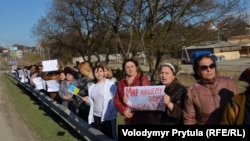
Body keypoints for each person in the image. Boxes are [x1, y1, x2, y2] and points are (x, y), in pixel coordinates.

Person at [183, 55, 239, 125]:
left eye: (212, 66)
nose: (209, 70)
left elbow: (240, 108)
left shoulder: (229, 83)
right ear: (197, 71)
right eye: (204, 67)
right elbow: (189, 119)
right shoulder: (192, 91)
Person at [82, 65, 117, 140]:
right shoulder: (92, 86)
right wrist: (87, 101)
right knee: (99, 137)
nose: (99, 74)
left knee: (111, 137)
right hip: (95, 116)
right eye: (96, 72)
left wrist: (110, 112)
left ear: (104, 72)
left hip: (108, 117)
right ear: (94, 74)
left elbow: (115, 99)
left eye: (101, 71)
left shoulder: (111, 84)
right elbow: (91, 101)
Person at [114, 58, 152, 125]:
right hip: (128, 118)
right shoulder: (121, 83)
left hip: (142, 117)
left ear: (136, 67)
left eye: (132, 66)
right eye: (127, 67)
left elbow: (148, 97)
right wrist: (123, 110)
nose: (130, 69)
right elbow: (116, 99)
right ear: (124, 69)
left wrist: (131, 101)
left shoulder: (143, 79)